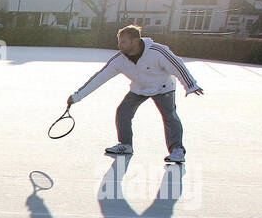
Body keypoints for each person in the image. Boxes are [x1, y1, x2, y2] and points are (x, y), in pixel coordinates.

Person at [67, 24, 204, 162]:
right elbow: (99, 77)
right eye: (119, 41)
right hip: (139, 88)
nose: (120, 45)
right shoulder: (119, 60)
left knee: (170, 117)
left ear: (135, 41)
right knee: (123, 112)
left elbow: (177, 65)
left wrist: (191, 85)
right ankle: (126, 145)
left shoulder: (157, 51)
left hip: (163, 88)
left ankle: (177, 151)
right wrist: (77, 96)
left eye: (123, 42)